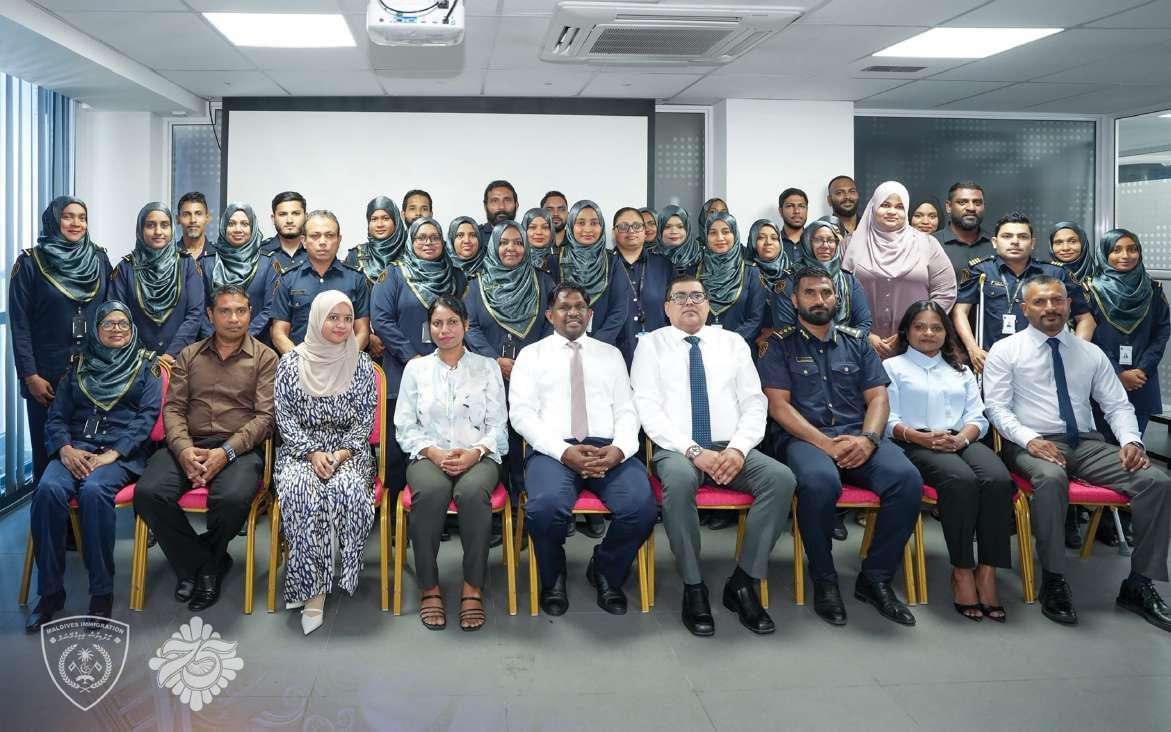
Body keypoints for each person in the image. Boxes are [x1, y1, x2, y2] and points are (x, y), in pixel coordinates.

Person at [983, 275, 1171, 631]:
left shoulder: (1090, 353)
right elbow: (997, 409)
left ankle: (1139, 583)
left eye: (1057, 300)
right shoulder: (1005, 351)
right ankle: (1054, 578)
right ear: (1025, 309)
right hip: (1030, 442)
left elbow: (1116, 405)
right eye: (1040, 302)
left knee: (1156, 482)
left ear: (1069, 305)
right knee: (1051, 478)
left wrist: (1131, 442)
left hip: (1086, 443)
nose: (1050, 308)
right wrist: (1030, 439)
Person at [632, 275, 796, 636]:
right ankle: (694, 586)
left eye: (697, 296)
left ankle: (745, 582)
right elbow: (647, 408)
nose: (690, 302)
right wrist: (693, 451)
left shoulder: (732, 343)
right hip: (678, 449)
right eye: (680, 297)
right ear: (666, 307)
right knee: (678, 482)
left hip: (731, 446)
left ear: (709, 304)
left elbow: (754, 402)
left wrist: (738, 448)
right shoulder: (651, 345)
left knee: (781, 478)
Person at [759, 267, 923, 627]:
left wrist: (868, 439)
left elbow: (878, 398)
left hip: (858, 435)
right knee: (820, 483)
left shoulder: (858, 343)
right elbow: (778, 407)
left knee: (907, 480)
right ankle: (825, 579)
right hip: (804, 439)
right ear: (794, 300)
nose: (819, 300)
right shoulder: (779, 345)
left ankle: (876, 578)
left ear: (837, 298)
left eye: (826, 293)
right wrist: (825, 444)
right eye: (809, 293)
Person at [509, 284, 657, 616]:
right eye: (564, 307)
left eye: (580, 307)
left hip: (608, 450)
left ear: (590, 314)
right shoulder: (531, 356)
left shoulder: (611, 355)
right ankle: (553, 576)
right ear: (550, 315)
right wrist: (564, 452)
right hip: (554, 451)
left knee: (641, 507)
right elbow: (521, 415)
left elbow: (627, 410)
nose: (573, 312)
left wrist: (619, 450)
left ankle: (606, 570)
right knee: (544, 509)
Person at [134, 284, 278, 611]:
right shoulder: (189, 355)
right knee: (149, 493)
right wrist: (184, 450)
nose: (233, 318)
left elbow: (265, 418)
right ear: (210, 315)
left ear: (250, 315)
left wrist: (225, 453)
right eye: (225, 311)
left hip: (239, 448)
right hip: (189, 443)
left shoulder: (265, 358)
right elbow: (173, 409)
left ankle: (193, 567)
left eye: (241, 311)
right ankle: (207, 565)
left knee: (231, 499)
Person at [24, 302, 163, 631]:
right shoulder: (78, 365)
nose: (117, 329)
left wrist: (114, 453)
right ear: (96, 329)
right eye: (108, 324)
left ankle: (101, 593)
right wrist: (65, 449)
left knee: (94, 491)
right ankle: (50, 593)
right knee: (47, 490)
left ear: (132, 328)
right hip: (76, 449)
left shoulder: (147, 365)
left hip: (119, 453)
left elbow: (147, 418)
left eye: (123, 323)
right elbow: (56, 416)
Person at [884, 301, 1014, 621]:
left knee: (999, 480)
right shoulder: (893, 367)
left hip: (961, 439)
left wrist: (962, 439)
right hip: (914, 442)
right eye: (920, 327)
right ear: (906, 331)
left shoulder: (961, 369)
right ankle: (962, 570)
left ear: (946, 332)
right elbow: (887, 420)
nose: (928, 333)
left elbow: (977, 417)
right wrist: (921, 438)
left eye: (936, 327)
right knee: (961, 481)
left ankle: (987, 571)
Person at [395, 296, 508, 631]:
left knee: (472, 494)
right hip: (428, 454)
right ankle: (429, 586)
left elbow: (498, 425)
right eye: (437, 323)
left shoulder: (486, 367)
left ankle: (472, 585)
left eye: (452, 322)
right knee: (430, 493)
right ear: (429, 328)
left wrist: (475, 452)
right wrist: (432, 452)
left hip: (479, 454)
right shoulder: (416, 369)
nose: (445, 330)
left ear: (466, 326)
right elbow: (404, 425)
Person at [273, 291, 377, 635]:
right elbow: (285, 418)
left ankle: (333, 573)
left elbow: (364, 420)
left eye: (347, 319)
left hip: (349, 451)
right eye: (333, 317)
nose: (341, 325)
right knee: (302, 490)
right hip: (301, 451)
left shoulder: (361, 364)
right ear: (317, 318)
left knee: (347, 489)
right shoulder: (291, 363)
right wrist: (311, 453)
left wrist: (341, 454)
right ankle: (312, 587)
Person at [10, 196, 113, 483]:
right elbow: (20, 325)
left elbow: (111, 315)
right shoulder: (30, 263)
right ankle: (47, 511)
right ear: (54, 220)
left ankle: (83, 513)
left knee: (89, 452)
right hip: (46, 378)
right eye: (68, 216)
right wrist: (30, 375)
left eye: (82, 217)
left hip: (93, 374)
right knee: (48, 456)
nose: (76, 223)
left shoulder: (99, 259)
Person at [372, 216, 462, 499]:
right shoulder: (394, 274)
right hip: (403, 371)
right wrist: (411, 357)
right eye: (421, 238)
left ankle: (440, 506)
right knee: (398, 448)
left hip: (449, 372)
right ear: (411, 242)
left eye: (434, 237)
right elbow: (381, 319)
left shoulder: (455, 275)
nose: (428, 243)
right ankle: (395, 512)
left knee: (446, 441)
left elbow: (464, 320)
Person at [465, 221, 555, 496]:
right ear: (494, 246)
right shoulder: (477, 284)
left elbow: (552, 323)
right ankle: (496, 502)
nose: (511, 248)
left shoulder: (543, 282)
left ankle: (526, 500)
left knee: (527, 435)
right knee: (492, 435)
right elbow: (470, 326)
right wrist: (494, 360)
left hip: (533, 374)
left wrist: (528, 363)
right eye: (504, 242)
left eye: (517, 242)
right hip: (488, 375)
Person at [953, 212, 1093, 373]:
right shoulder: (981, 271)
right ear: (995, 242)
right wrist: (973, 349)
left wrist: (1073, 355)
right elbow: (960, 312)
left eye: (1022, 237)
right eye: (1007, 236)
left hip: (1042, 364)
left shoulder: (1055, 273)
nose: (1015, 241)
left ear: (1032, 243)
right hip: (993, 361)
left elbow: (1086, 319)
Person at [842, 181, 956, 359]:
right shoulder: (850, 244)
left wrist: (913, 330)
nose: (892, 211)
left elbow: (945, 291)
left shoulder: (927, 244)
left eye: (899, 207)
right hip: (860, 346)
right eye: (885, 205)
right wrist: (863, 333)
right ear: (873, 207)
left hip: (916, 346)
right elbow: (837, 294)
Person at [1086, 229, 1170, 434]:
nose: (1125, 255)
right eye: (1116, 250)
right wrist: (1118, 372)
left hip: (1141, 380)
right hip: (1103, 378)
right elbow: (1090, 339)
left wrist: (1143, 369)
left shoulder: (1153, 289)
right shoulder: (1091, 290)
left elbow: (1161, 332)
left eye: (1132, 249)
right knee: (1104, 445)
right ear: (1105, 253)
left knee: (1133, 442)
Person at [109, 202, 204, 362]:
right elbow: (117, 316)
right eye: (150, 225)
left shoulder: (187, 265)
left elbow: (194, 314)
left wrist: (171, 353)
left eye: (164, 225)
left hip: (179, 361)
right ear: (141, 229)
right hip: (134, 361)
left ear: (172, 229)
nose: (158, 231)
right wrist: (142, 356)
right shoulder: (125, 268)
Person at [271, 210, 370, 353]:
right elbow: (278, 333)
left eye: (329, 235)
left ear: (339, 240)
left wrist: (345, 359)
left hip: (345, 362)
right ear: (303, 241)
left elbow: (363, 332)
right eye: (315, 236)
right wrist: (299, 360)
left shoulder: (355, 278)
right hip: (301, 362)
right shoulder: (288, 278)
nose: (323, 242)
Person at [548, 200, 632, 348]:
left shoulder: (612, 261)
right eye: (581, 223)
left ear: (601, 226)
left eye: (594, 223)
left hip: (603, 347)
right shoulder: (555, 259)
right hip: (563, 347)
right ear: (571, 226)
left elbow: (619, 310)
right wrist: (567, 343)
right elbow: (550, 308)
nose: (587, 229)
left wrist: (597, 344)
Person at [773, 219, 872, 338]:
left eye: (830, 240)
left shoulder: (849, 280)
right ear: (806, 242)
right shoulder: (789, 281)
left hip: (847, 346)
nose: (825, 246)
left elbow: (864, 323)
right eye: (818, 240)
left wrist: (841, 344)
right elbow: (786, 328)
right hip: (800, 347)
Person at [198, 203, 279, 345]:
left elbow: (270, 308)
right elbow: (199, 308)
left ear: (252, 227)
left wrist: (243, 338)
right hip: (212, 346)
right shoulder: (207, 262)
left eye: (244, 224)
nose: (238, 229)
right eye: (231, 224)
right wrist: (216, 339)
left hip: (256, 346)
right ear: (224, 226)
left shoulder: (267, 262)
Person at [612, 206, 673, 366]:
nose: (631, 231)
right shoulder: (605, 266)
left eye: (637, 226)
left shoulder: (664, 266)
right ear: (614, 232)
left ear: (645, 231)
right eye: (623, 226)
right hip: (615, 356)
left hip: (660, 356)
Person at [697, 212, 766, 347]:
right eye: (713, 233)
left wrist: (729, 342)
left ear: (735, 234)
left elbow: (756, 318)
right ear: (706, 236)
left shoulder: (751, 272)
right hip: (700, 347)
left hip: (739, 348)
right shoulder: (695, 270)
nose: (720, 238)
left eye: (726, 232)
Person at [746, 218, 790, 349]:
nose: (768, 242)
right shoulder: (744, 273)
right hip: (748, 343)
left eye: (774, 238)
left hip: (788, 344)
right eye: (761, 238)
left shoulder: (793, 273)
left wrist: (776, 333)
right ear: (753, 242)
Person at [344, 196, 408, 285]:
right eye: (374, 219)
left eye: (385, 218)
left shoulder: (409, 253)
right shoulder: (356, 255)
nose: (379, 224)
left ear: (396, 221)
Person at [940, 182, 994, 275]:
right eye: (962, 202)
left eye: (977, 203)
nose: (971, 208)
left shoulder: (995, 246)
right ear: (949, 207)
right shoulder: (931, 244)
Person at [260, 191, 308, 274]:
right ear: (273, 219)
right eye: (283, 214)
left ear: (306, 217)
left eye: (296, 213)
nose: (289, 220)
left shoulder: (318, 250)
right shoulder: (259, 253)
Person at [653, 204, 701, 277]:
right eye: (667, 227)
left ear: (687, 229)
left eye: (680, 227)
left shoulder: (700, 256)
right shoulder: (651, 257)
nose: (674, 231)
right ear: (660, 230)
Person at [175, 191, 217, 275]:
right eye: (186, 214)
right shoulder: (170, 256)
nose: (193, 220)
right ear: (178, 219)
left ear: (207, 218)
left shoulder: (219, 256)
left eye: (198, 214)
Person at [447, 215, 487, 280]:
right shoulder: (443, 269)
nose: (467, 241)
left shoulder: (492, 265)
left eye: (472, 235)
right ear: (451, 240)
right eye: (460, 235)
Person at [521, 207, 557, 275]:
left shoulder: (560, 258)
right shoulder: (515, 259)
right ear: (524, 230)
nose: (539, 232)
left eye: (545, 227)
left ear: (551, 231)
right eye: (532, 227)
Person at [777, 188, 808, 260]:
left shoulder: (816, 242)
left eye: (801, 206)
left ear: (807, 210)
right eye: (790, 206)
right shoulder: (773, 243)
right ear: (781, 211)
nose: (796, 211)